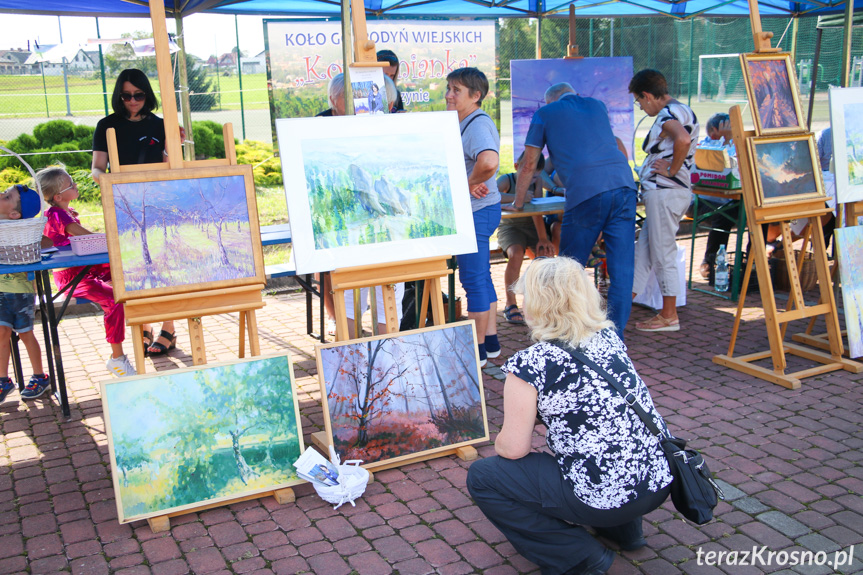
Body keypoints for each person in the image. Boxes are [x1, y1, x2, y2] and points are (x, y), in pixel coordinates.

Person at [466, 257, 673, 575]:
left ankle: (580, 555)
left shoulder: (530, 363)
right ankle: (626, 533)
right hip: (657, 482)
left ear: (537, 303)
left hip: (605, 497)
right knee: (614, 443)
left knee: (483, 476)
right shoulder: (609, 337)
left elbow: (512, 450)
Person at [504, 82, 637, 337]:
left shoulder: (545, 113)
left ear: (550, 101)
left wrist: (518, 203)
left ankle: (567, 334)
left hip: (587, 194)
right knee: (622, 272)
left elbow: (529, 162)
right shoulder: (597, 106)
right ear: (574, 94)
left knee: (568, 270)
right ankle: (615, 340)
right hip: (624, 187)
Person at [91, 68, 177, 356]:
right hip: (123, 204)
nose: (132, 100)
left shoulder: (160, 124)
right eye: (126, 95)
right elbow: (97, 167)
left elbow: (171, 165)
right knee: (133, 265)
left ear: (146, 95)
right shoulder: (106, 125)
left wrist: (173, 142)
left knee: (162, 262)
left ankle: (169, 327)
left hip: (156, 203)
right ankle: (144, 325)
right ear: (119, 95)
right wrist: (110, 183)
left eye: (138, 95)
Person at [37, 167, 136, 378]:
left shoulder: (65, 212)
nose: (76, 186)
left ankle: (141, 320)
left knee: (129, 271)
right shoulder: (56, 214)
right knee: (114, 301)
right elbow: (81, 235)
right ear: (58, 196)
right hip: (72, 278)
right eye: (71, 184)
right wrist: (108, 237)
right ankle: (117, 358)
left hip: (85, 269)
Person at [630, 69, 699, 332]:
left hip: (664, 191)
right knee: (645, 252)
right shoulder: (684, 110)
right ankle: (622, 306)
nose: (640, 106)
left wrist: (671, 169)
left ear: (648, 96)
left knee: (662, 252)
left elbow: (681, 139)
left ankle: (669, 315)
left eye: (639, 102)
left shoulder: (668, 115)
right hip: (668, 192)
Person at [446, 67, 501, 367]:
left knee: (473, 281)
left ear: (475, 96)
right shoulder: (466, 122)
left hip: (477, 213)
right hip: (482, 210)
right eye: (449, 88)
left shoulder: (476, 124)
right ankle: (490, 342)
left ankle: (476, 352)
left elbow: (489, 162)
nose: (449, 95)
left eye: (456, 90)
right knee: (481, 277)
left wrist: (466, 184)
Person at [0, 185, 51, 401]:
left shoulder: (22, 232)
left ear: (14, 214)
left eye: (7, 196)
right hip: (1, 288)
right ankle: (3, 380)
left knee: (25, 333)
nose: (1, 194)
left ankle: (40, 376)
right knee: (1, 333)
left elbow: (47, 242)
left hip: (19, 290)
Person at [496, 151, 556, 325]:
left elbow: (536, 211)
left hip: (532, 226)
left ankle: (543, 303)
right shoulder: (507, 180)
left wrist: (543, 238)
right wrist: (518, 197)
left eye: (535, 176)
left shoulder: (536, 183)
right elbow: (492, 196)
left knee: (545, 256)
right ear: (517, 167)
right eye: (527, 174)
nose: (531, 179)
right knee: (515, 253)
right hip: (510, 226)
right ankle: (510, 303)